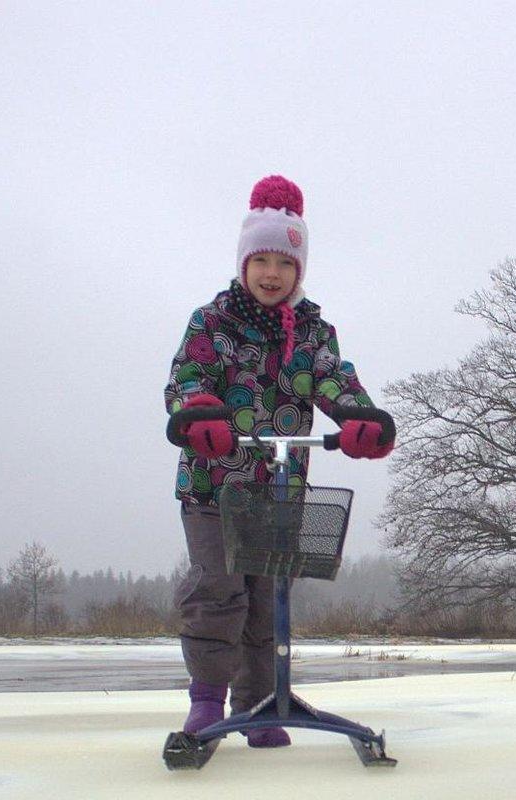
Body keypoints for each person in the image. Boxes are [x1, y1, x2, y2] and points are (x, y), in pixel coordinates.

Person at [164, 175, 393, 746]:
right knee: (219, 596)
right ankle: (207, 704)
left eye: (284, 263)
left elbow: (333, 379)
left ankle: (260, 706)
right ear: (244, 264)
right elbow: (187, 378)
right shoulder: (211, 322)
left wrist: (358, 418)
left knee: (269, 605)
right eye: (261, 260)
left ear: (299, 270)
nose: (272, 274)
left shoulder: (313, 332)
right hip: (213, 487)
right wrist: (199, 416)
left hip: (278, 490)